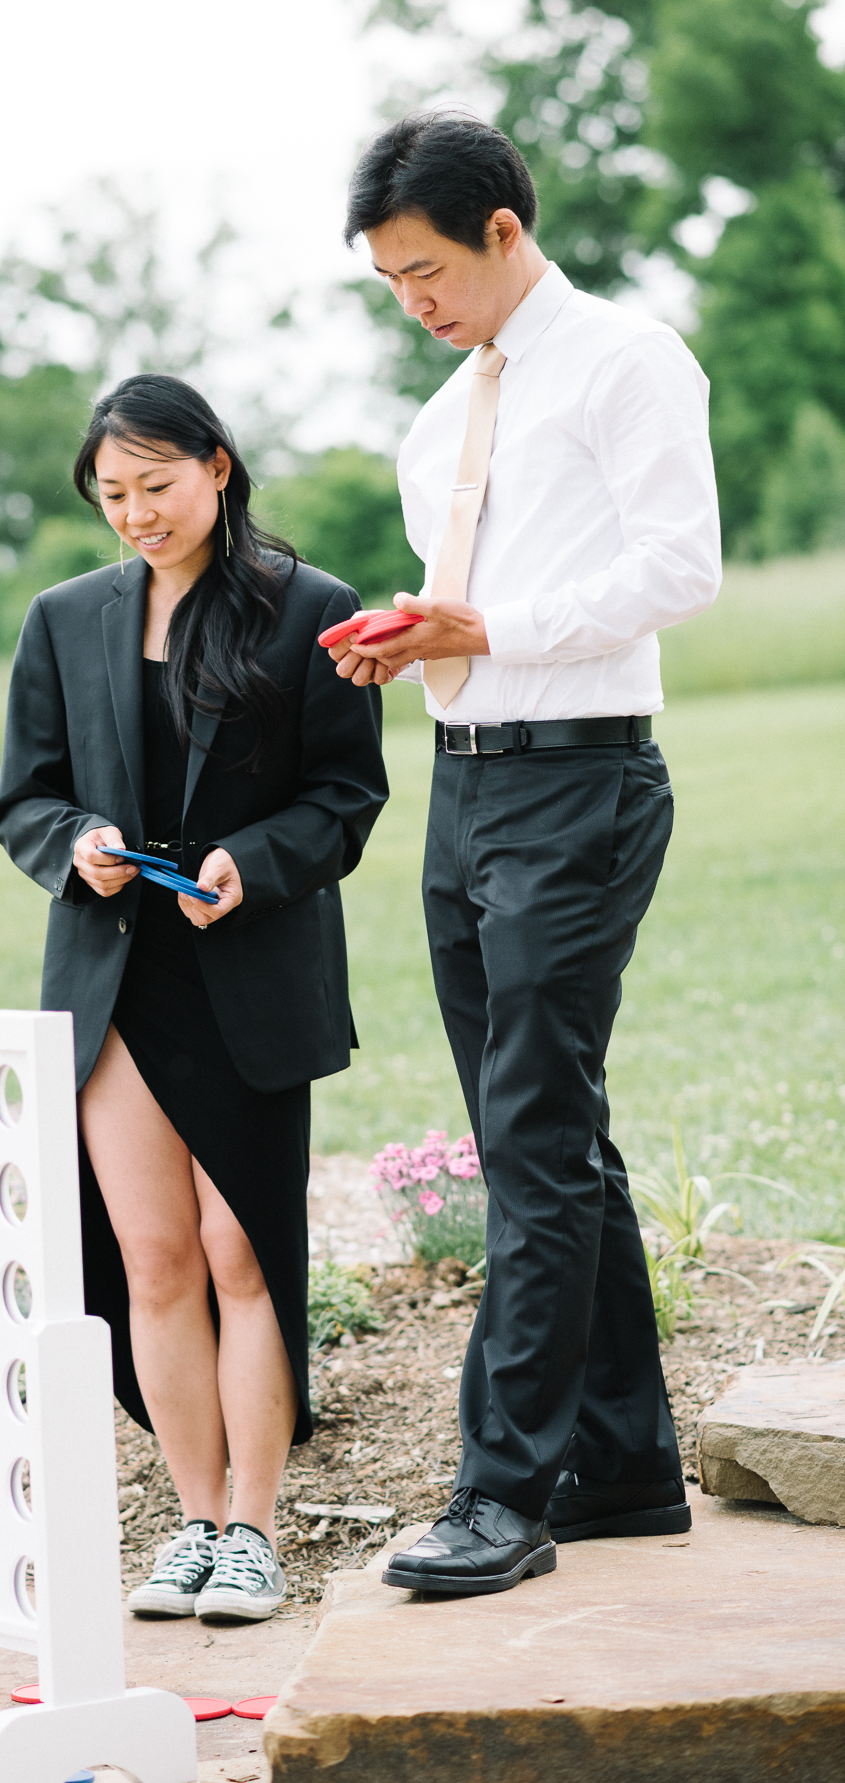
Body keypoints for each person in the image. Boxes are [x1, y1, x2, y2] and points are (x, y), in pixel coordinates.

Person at [332, 113, 721, 1599]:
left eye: (425, 269)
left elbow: (676, 569)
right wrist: (412, 631)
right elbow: (478, 595)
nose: (413, 302)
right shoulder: (438, 423)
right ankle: (620, 1466)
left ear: (501, 228)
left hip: (580, 783)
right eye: (386, 281)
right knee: (536, 1133)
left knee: (533, 1140)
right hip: (465, 782)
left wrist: (482, 626)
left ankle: (501, 1495)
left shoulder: (626, 360)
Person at [0, 373, 388, 1622]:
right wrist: (81, 841)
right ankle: (193, 1520)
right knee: (151, 1259)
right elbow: (24, 800)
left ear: (216, 465)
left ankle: (259, 1530)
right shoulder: (61, 619)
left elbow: (344, 798)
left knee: (240, 1253)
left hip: (248, 973)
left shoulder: (306, 608)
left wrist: (247, 863)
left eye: (155, 484)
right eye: (111, 493)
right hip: (112, 982)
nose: (135, 513)